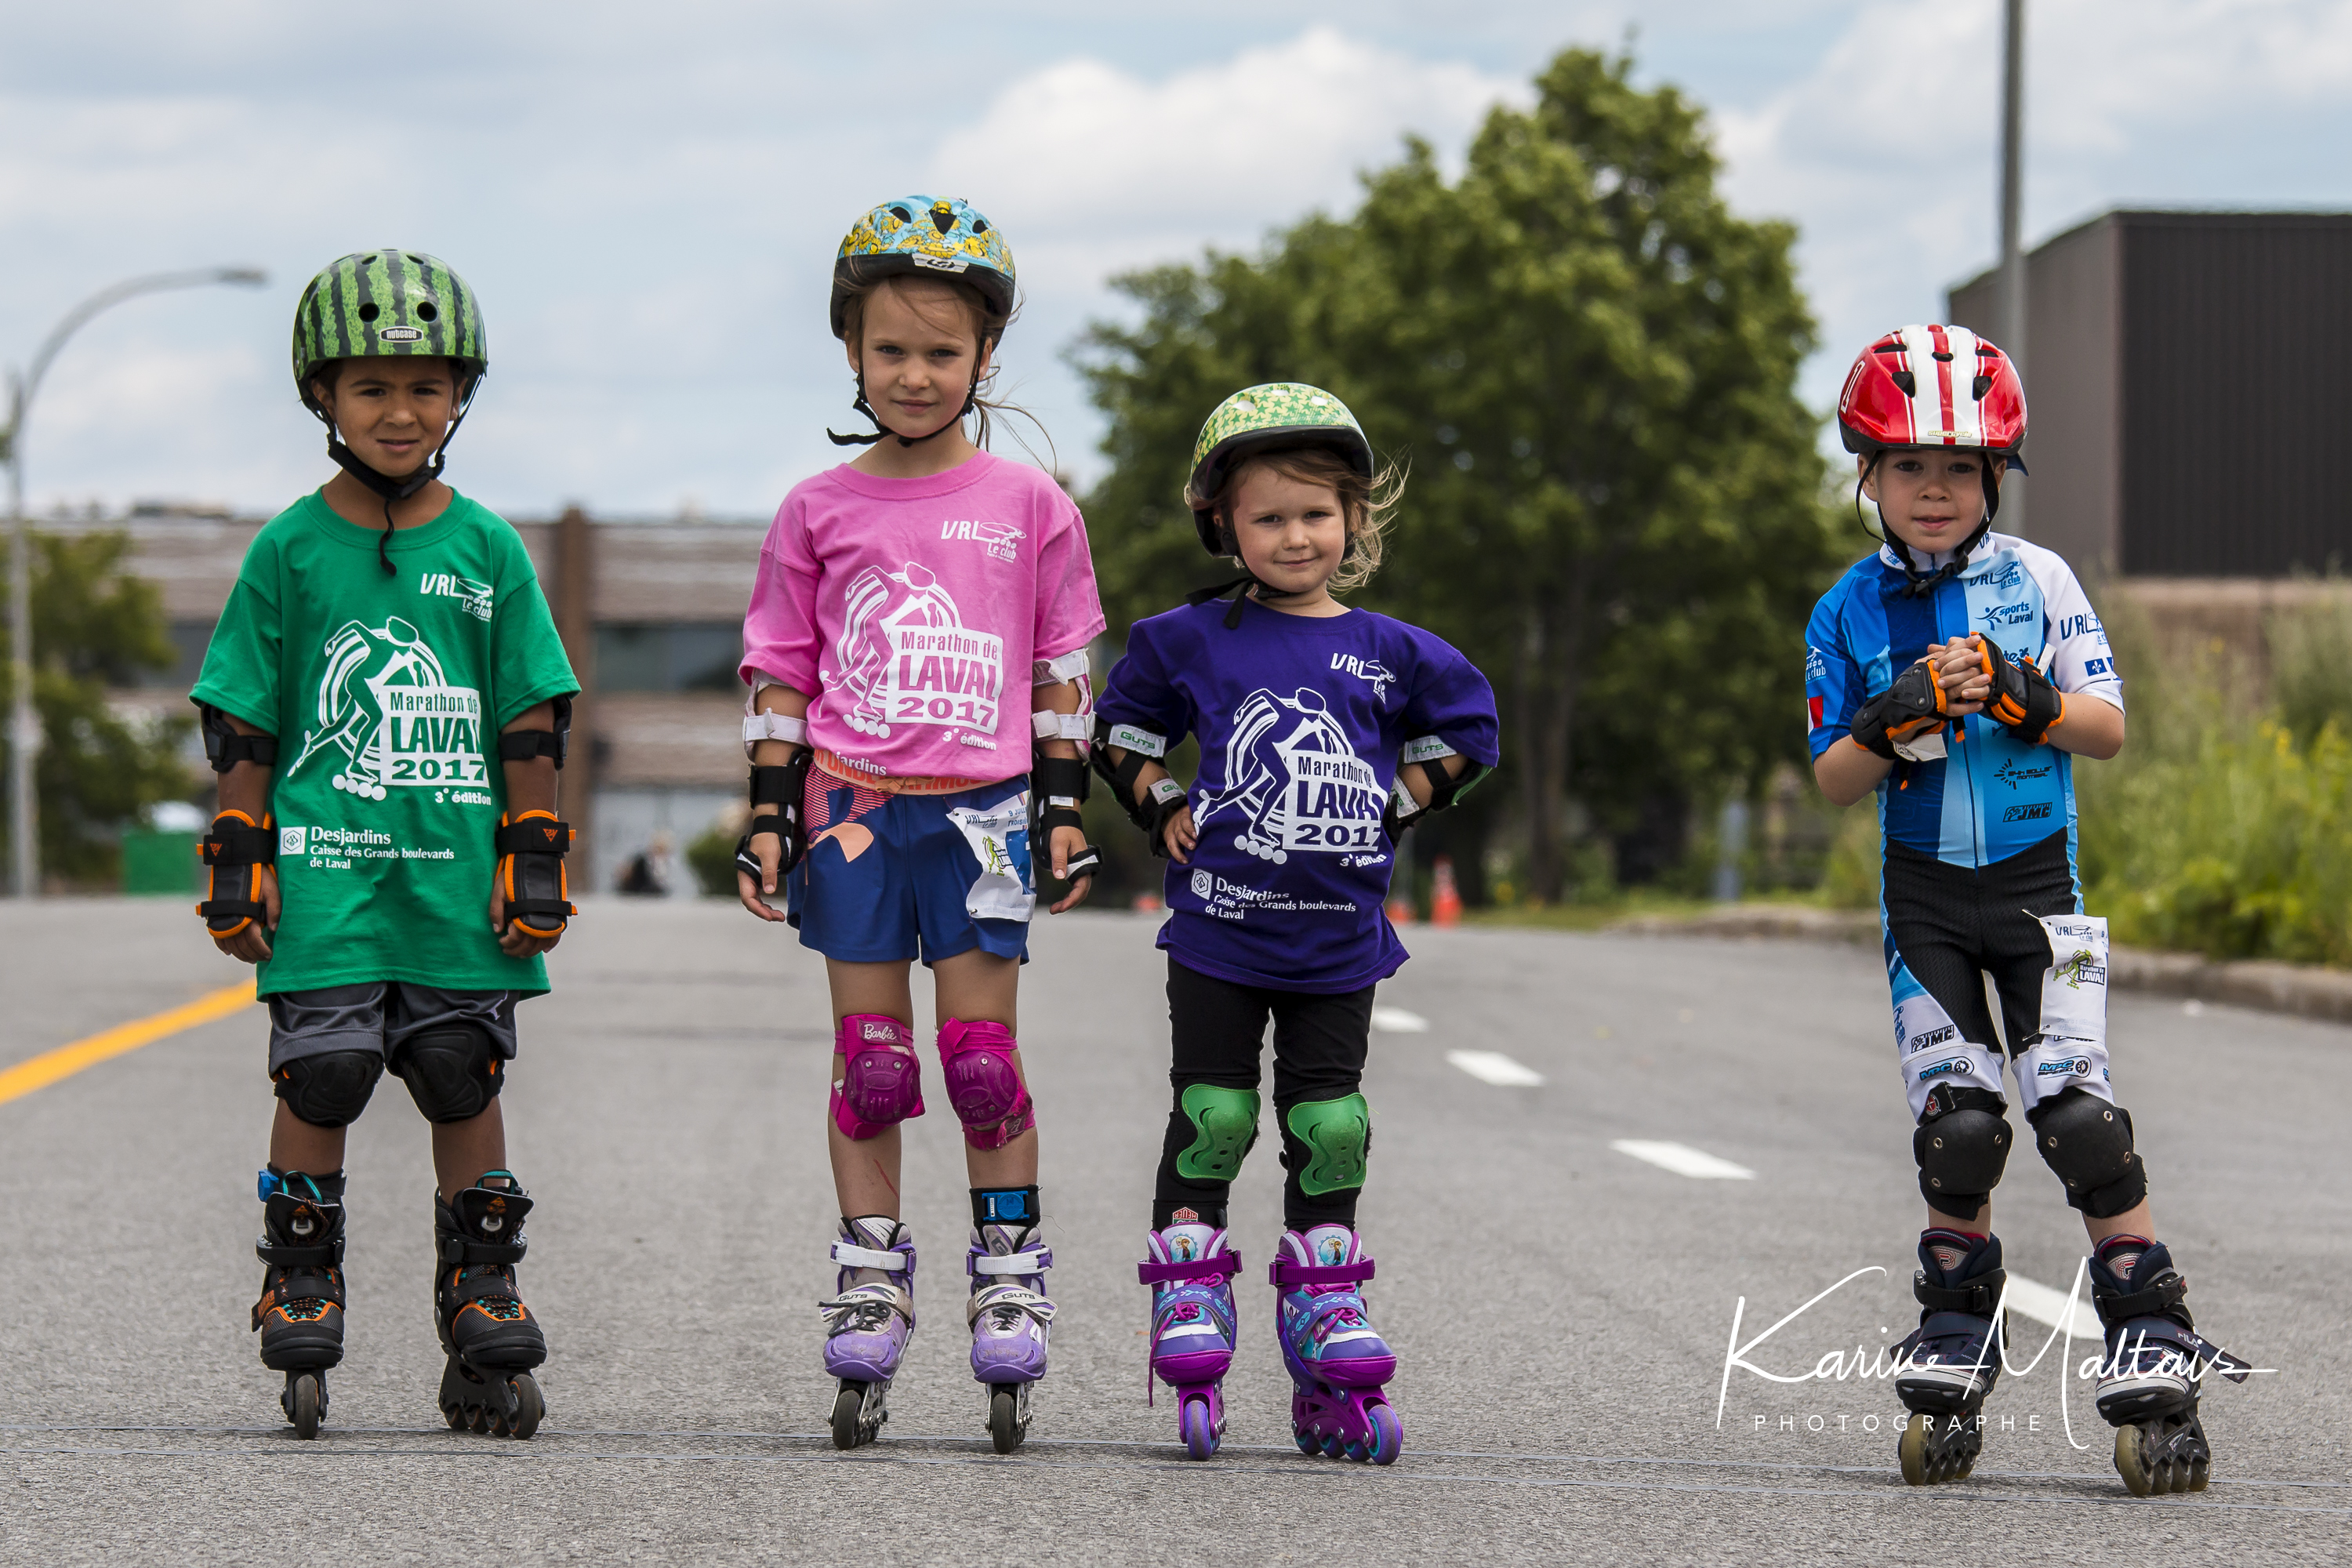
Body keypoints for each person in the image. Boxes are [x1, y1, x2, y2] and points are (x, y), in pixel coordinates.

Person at [1806, 325, 2248, 1496]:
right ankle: (1956, 1323)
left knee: (2079, 1122)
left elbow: (2106, 730)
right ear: (1869, 475)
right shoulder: (1845, 612)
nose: (1934, 490)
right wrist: (1883, 716)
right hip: (1928, 908)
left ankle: (2150, 1320)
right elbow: (1832, 781)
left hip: (2041, 895)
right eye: (1909, 468)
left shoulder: (2040, 581)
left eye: (1959, 468)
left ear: (1996, 476)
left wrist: (2021, 691)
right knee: (1959, 1131)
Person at [733, 195, 1105, 1455]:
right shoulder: (816, 509)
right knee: (873, 1061)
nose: (913, 373)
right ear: (850, 349)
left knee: (982, 1063)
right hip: (850, 806)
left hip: (985, 815)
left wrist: (1063, 812)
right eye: (890, 349)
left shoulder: (1029, 504)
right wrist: (769, 817)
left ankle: (1006, 1276)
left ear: (986, 358)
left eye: (941, 353)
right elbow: (780, 673)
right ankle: (871, 1275)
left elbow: (1061, 667)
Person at [191, 250, 581, 1440]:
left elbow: (527, 711)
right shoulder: (289, 551)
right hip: (323, 878)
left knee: (462, 1068)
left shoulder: (490, 551)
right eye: (371, 388)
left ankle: (480, 1286)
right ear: (324, 397)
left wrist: (534, 849)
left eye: (424, 387)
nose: (401, 412)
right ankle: (301, 1270)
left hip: (459, 884)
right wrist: (239, 847)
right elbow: (247, 714)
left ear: (459, 394)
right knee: (324, 1072)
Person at [1092, 384, 1499, 1463]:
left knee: (1332, 1125)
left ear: (1355, 519)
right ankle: (1190, 1289)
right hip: (1222, 931)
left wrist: (1402, 802)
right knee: (1215, 1113)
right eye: (1269, 516)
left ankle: (1324, 1296)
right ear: (1223, 522)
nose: (1295, 535)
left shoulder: (1392, 649)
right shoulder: (1190, 638)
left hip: (1335, 941)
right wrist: (1160, 802)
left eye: (1317, 513)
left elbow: (1472, 724)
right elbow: (1121, 727)